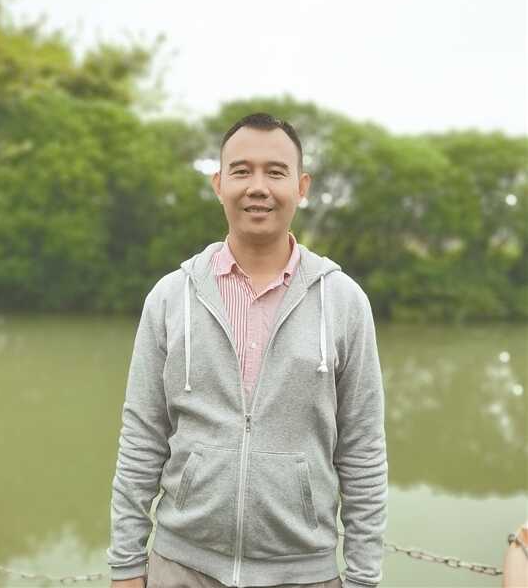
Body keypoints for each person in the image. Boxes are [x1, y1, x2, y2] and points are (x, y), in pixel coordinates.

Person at [107, 112, 388, 588]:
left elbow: (363, 452)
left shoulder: (344, 301)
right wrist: (127, 567)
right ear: (219, 184)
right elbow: (141, 438)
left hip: (305, 574)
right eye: (241, 171)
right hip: (180, 568)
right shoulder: (171, 297)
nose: (258, 187)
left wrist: (362, 578)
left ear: (301, 187)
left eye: (275, 172)